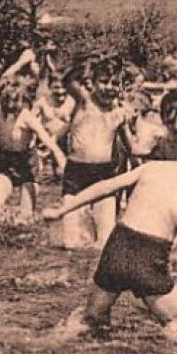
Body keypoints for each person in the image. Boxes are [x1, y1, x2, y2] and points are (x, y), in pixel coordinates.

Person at [41, 116, 177, 341]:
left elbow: (105, 186)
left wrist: (63, 209)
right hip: (148, 259)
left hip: (116, 249)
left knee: (89, 323)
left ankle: (47, 344)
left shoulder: (152, 168)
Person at [0, 80, 67, 221]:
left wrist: (60, 158)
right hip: (6, 165)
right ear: (0, 99)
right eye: (8, 103)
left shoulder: (27, 117)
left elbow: (47, 140)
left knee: (26, 217)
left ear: (23, 101)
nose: (12, 107)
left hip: (28, 166)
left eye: (16, 102)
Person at [58, 58, 131, 250]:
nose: (109, 87)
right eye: (104, 81)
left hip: (105, 175)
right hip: (76, 176)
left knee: (104, 242)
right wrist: (88, 62)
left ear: (122, 86)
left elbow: (132, 149)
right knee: (71, 244)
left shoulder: (120, 114)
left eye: (115, 83)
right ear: (93, 82)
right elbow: (67, 80)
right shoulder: (85, 101)